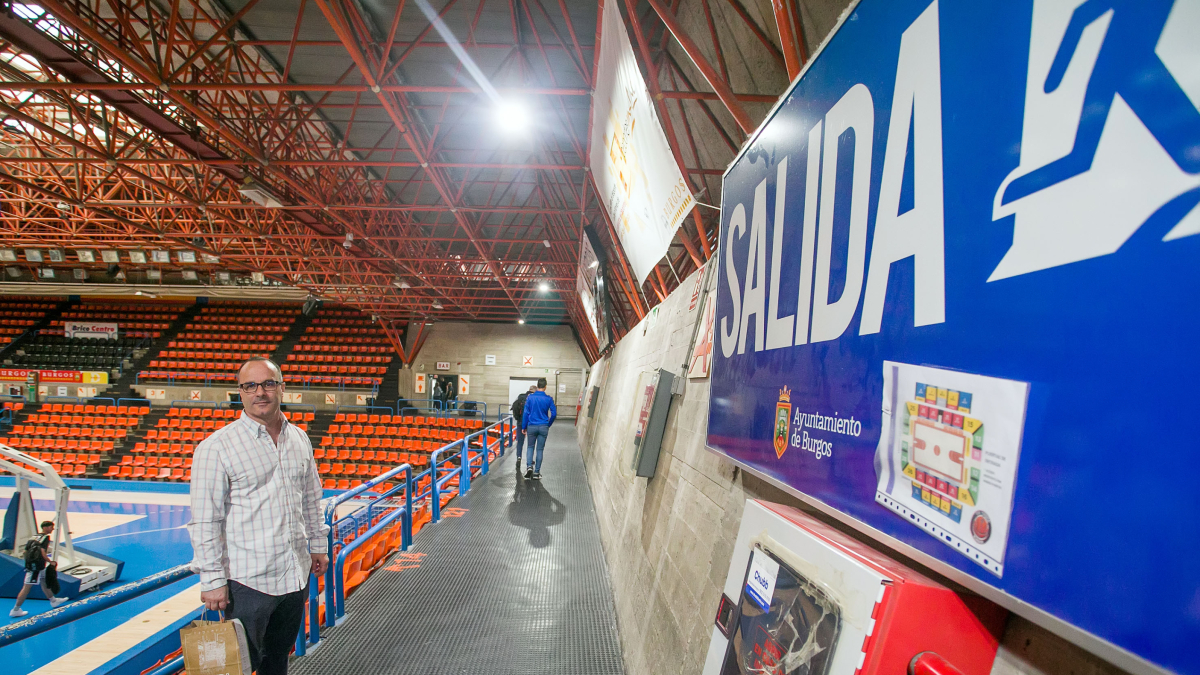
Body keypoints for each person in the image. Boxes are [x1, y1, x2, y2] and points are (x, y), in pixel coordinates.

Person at [188, 357, 330, 675]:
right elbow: (206, 521)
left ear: (282, 387)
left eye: (268, 383)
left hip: (294, 575)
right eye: (250, 386)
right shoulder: (216, 448)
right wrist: (212, 580)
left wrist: (318, 545)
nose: (260, 392)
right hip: (247, 583)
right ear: (240, 391)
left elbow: (310, 498)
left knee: (277, 661)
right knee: (235, 668)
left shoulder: (299, 438)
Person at [9, 520, 67, 617]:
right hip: (36, 567)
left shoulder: (33, 537)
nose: (52, 529)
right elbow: (42, 552)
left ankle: (53, 601)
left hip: (36, 566)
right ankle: (15, 610)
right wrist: (50, 562)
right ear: (45, 527)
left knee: (44, 581)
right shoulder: (45, 538)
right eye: (51, 527)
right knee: (26, 588)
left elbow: (25, 552)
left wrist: (29, 563)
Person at [521, 378, 556, 480]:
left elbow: (526, 413)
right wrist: (548, 424)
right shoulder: (548, 399)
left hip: (531, 426)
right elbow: (554, 414)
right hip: (543, 426)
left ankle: (529, 467)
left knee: (530, 447)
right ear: (545, 387)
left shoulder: (530, 398)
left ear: (537, 386)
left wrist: (524, 426)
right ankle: (536, 473)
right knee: (540, 449)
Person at [511, 385, 535, 467]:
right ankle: (530, 459)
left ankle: (519, 457)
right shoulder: (533, 398)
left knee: (520, 441)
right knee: (530, 443)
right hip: (531, 423)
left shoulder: (521, 397)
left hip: (520, 422)